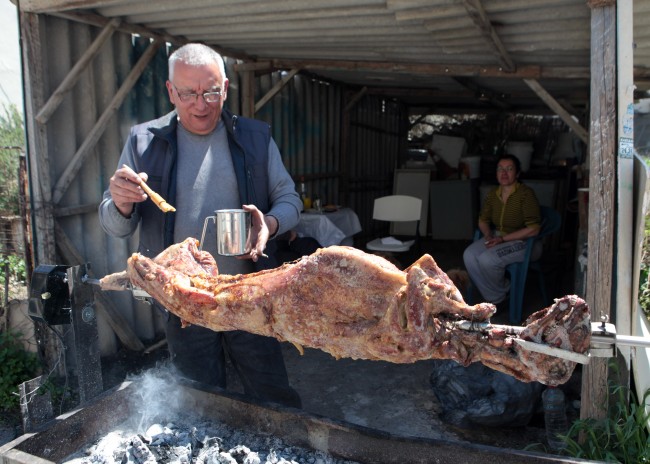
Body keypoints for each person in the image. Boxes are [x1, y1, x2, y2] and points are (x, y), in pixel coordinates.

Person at [99, 43, 303, 408]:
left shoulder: (254, 138)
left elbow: (291, 200)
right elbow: (116, 227)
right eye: (188, 93)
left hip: (249, 297)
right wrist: (120, 203)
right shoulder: (144, 143)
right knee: (202, 403)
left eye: (211, 91)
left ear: (225, 88)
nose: (201, 104)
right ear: (170, 92)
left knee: (273, 398)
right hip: (184, 305)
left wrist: (270, 224)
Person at [463, 154, 541, 307]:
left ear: (517, 173)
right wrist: (488, 234)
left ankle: (498, 295)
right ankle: (499, 294)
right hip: (499, 237)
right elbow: (483, 220)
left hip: (526, 243)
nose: (504, 173)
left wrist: (503, 239)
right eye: (500, 169)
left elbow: (534, 229)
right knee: (469, 255)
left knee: (487, 259)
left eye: (509, 169)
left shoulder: (525, 194)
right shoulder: (493, 194)